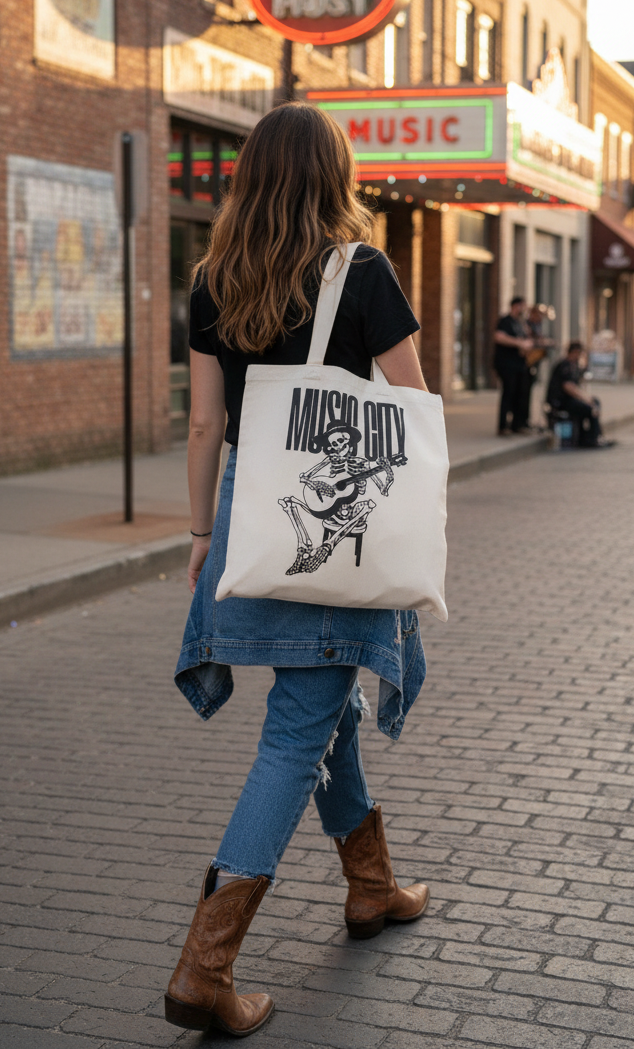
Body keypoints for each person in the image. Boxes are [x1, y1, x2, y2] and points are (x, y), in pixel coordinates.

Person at [165, 103, 431, 1037]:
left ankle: (373, 887)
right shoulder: (361, 271)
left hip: (249, 520)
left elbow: (204, 424)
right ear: (334, 174)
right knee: (296, 732)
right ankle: (206, 968)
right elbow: (415, 406)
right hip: (335, 528)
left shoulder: (212, 278)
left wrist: (201, 534)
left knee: (323, 710)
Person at [546, 341, 616, 449]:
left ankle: (593, 436)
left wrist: (588, 398)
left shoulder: (574, 366)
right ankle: (592, 439)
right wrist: (585, 399)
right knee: (589, 408)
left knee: (595, 402)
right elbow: (568, 387)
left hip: (570, 399)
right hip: (561, 401)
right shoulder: (565, 365)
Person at [493, 296, 532, 435]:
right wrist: (519, 343)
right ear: (516, 306)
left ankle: (517, 424)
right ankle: (503, 426)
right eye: (523, 306)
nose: (524, 309)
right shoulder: (505, 321)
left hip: (520, 364)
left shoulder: (520, 323)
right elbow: (499, 337)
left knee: (520, 394)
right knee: (508, 393)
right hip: (507, 364)